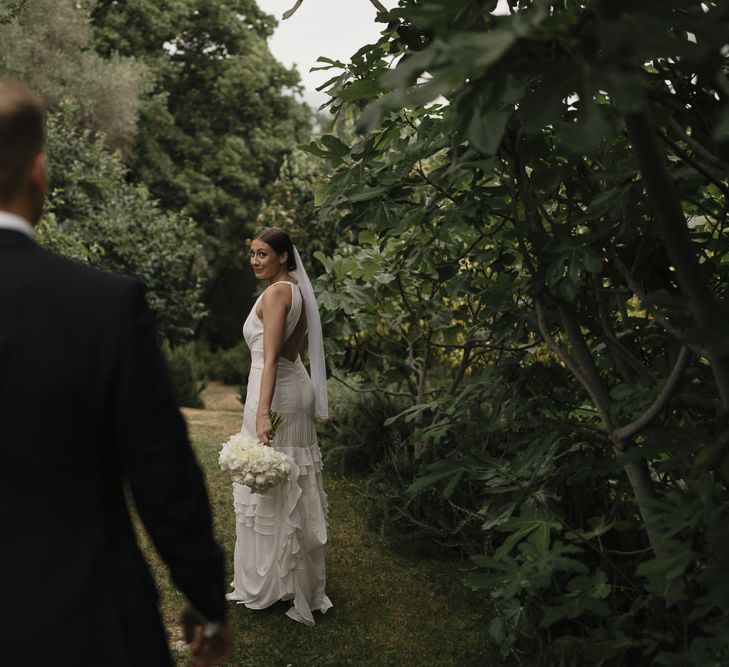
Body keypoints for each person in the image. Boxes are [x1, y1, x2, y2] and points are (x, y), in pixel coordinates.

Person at [0, 79, 233, 666]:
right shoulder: (101, 305)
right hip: (82, 624)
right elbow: (164, 475)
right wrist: (207, 600)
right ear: (37, 172)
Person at [227, 226, 332, 626]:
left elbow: (270, 358)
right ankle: (289, 581)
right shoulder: (299, 290)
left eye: (263, 254)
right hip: (295, 386)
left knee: (273, 485)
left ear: (284, 256)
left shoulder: (275, 294)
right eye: (252, 253)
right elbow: (297, 350)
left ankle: (273, 584)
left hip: (275, 393)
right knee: (291, 485)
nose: (255, 260)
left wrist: (261, 412)